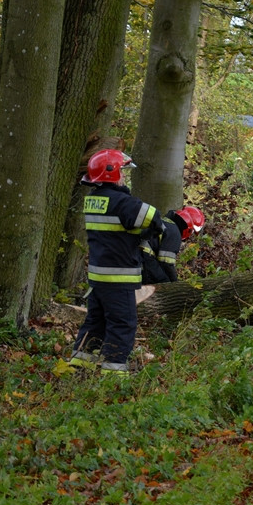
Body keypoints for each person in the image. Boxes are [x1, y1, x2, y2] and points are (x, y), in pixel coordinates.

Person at [69, 149, 165, 377]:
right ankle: (113, 375)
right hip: (119, 279)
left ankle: (80, 364)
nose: (124, 177)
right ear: (112, 174)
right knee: (122, 324)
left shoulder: (93, 200)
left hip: (97, 279)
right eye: (122, 172)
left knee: (96, 321)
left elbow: (117, 230)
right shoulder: (123, 202)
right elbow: (154, 217)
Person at [140, 206, 205, 285]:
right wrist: (175, 283)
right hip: (144, 256)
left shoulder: (166, 223)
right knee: (163, 283)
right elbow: (166, 263)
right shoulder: (175, 232)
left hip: (136, 253)